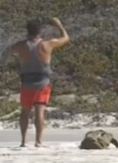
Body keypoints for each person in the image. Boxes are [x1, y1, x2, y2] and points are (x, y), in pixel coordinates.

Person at [6, 18, 70, 148]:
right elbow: (65, 38)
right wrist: (59, 25)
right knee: (40, 111)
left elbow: (9, 50)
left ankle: (24, 141)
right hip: (42, 81)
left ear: (28, 31)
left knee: (25, 112)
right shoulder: (48, 44)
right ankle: (39, 141)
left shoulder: (21, 45)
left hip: (27, 82)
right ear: (40, 31)